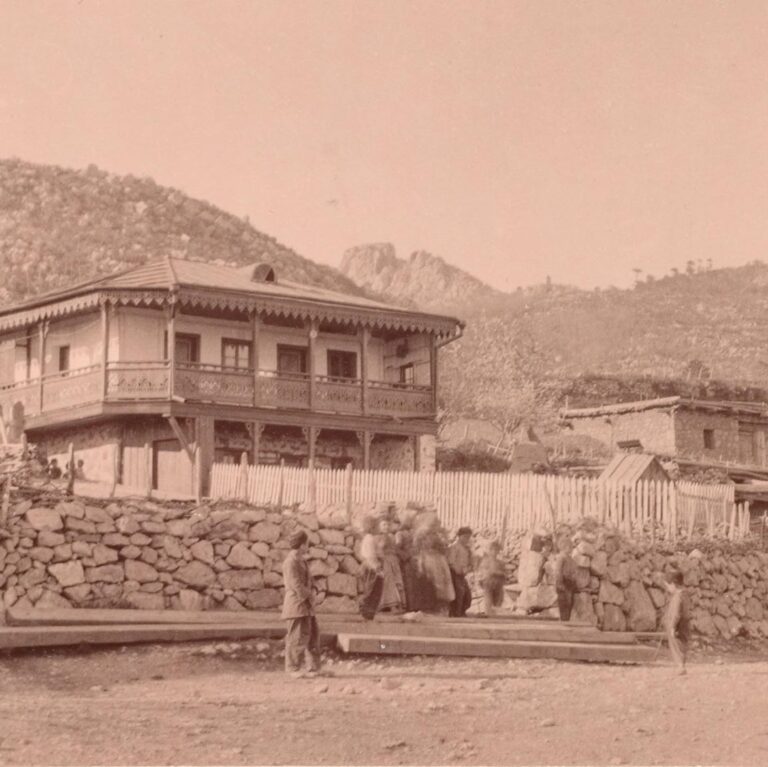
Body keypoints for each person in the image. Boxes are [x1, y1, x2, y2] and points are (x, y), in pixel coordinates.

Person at [281, 529, 322, 678]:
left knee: (313, 635)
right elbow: (296, 585)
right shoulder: (290, 562)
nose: (308, 546)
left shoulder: (301, 559)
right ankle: (292, 668)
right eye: (306, 543)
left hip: (306, 605)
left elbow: (309, 578)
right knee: (296, 637)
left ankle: (313, 668)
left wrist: (316, 587)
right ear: (301, 544)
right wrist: (310, 596)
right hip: (296, 605)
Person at [663, 569, 690, 675]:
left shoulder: (677, 597)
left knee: (676, 645)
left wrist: (673, 626)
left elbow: (676, 613)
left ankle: (680, 666)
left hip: (677, 624)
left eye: (668, 586)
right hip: (685, 623)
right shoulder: (685, 594)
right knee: (682, 644)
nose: (668, 589)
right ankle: (681, 665)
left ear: (673, 584)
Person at [358, 516, 384, 620]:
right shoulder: (369, 539)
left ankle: (369, 613)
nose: (378, 528)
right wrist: (377, 569)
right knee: (372, 590)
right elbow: (370, 556)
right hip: (371, 567)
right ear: (372, 527)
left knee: (373, 590)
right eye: (377, 525)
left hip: (371, 565)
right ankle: (366, 612)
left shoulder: (370, 538)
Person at [378, 518, 405, 613]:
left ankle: (400, 605)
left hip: (394, 560)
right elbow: (379, 549)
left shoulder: (392, 536)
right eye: (383, 525)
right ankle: (392, 606)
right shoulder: (380, 537)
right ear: (379, 527)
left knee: (398, 580)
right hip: (386, 561)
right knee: (389, 582)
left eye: (387, 525)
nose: (386, 527)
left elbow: (396, 547)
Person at [447, 526, 474, 617]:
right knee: (459, 593)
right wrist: (457, 570)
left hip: (462, 574)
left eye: (468, 537)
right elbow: (451, 561)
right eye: (465, 537)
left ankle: (461, 611)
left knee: (467, 595)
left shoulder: (466, 548)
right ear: (459, 536)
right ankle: (456, 612)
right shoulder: (454, 547)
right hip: (455, 573)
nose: (467, 539)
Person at [478, 540, 506, 617]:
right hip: (488, 583)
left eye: (496, 550)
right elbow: (484, 573)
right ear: (489, 550)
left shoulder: (500, 563)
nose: (494, 552)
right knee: (488, 601)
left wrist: (500, 574)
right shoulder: (485, 561)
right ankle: (488, 615)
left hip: (498, 583)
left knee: (498, 601)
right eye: (492, 550)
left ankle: (495, 617)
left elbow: (504, 574)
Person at [553, 536, 577, 622]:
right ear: (563, 547)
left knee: (569, 604)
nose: (570, 548)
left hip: (570, 584)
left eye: (571, 546)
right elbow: (558, 571)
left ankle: (566, 621)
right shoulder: (561, 557)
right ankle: (564, 622)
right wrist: (560, 584)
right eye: (568, 546)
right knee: (564, 605)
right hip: (563, 584)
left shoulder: (570, 558)